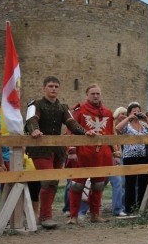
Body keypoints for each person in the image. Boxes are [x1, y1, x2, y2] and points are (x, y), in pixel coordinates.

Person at [24, 76, 96, 229]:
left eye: (56, 86)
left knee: (54, 182)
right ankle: (45, 216)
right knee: (48, 180)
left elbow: (71, 123)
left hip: (57, 149)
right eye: (50, 86)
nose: (53, 89)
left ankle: (44, 215)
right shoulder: (35, 104)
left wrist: (85, 132)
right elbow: (31, 119)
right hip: (40, 148)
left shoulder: (63, 107)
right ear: (44, 88)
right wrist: (34, 130)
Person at [66, 84, 114, 225]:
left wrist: (115, 153)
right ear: (87, 95)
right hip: (83, 153)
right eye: (93, 93)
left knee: (98, 185)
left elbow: (111, 133)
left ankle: (95, 215)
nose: (95, 96)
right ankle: (73, 216)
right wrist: (71, 150)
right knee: (76, 185)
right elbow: (70, 131)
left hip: (102, 153)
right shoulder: (79, 111)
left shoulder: (108, 112)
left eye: (98, 93)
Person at [115, 102, 148, 214]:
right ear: (129, 112)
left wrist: (146, 119)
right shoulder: (127, 125)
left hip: (144, 156)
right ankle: (129, 209)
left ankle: (141, 208)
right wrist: (129, 118)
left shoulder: (144, 125)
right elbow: (117, 129)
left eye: (138, 110)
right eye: (134, 111)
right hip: (130, 157)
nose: (136, 112)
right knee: (130, 184)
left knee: (143, 183)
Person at [110, 107, 127, 216]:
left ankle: (119, 208)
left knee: (120, 182)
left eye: (125, 114)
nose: (124, 116)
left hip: (119, 156)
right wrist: (115, 153)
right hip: (111, 156)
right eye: (122, 114)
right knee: (98, 183)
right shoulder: (111, 125)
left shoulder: (123, 129)